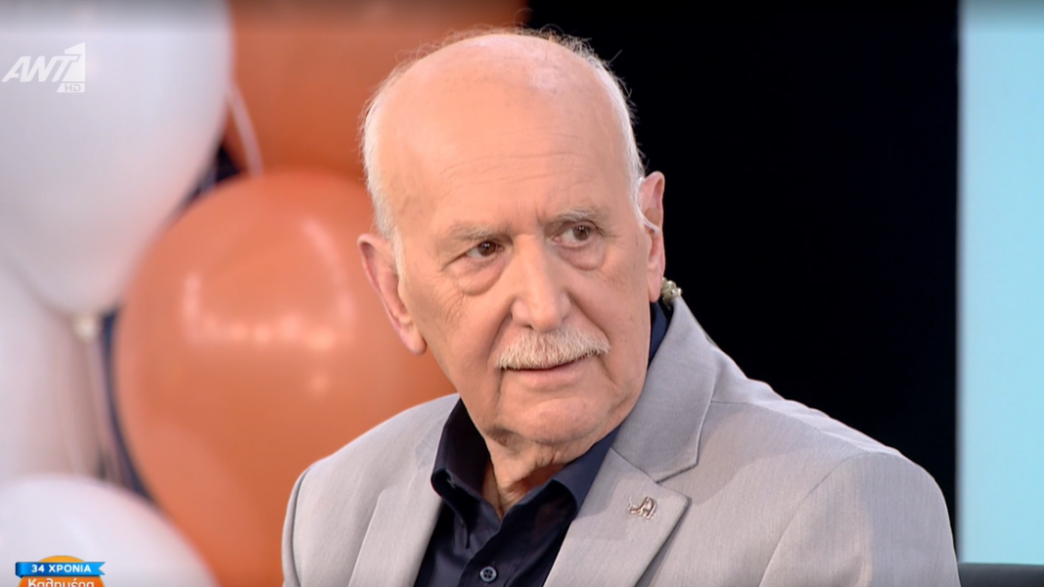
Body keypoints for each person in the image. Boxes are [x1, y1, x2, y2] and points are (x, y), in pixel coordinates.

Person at [281, 28, 960, 587]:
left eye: (578, 233)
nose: (545, 307)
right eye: (483, 250)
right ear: (396, 291)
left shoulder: (839, 505)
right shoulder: (333, 505)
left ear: (651, 237)